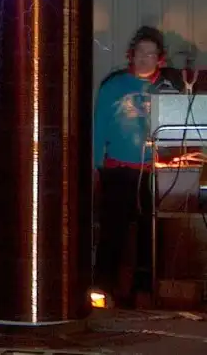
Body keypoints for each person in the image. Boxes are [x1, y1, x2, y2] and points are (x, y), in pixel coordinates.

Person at [92, 26, 181, 306]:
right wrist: (95, 166)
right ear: (131, 55)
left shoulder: (167, 90)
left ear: (160, 59)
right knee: (112, 231)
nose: (144, 58)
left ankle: (144, 290)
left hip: (154, 173)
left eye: (150, 54)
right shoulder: (113, 87)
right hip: (118, 171)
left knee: (150, 233)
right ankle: (103, 289)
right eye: (140, 52)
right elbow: (98, 127)